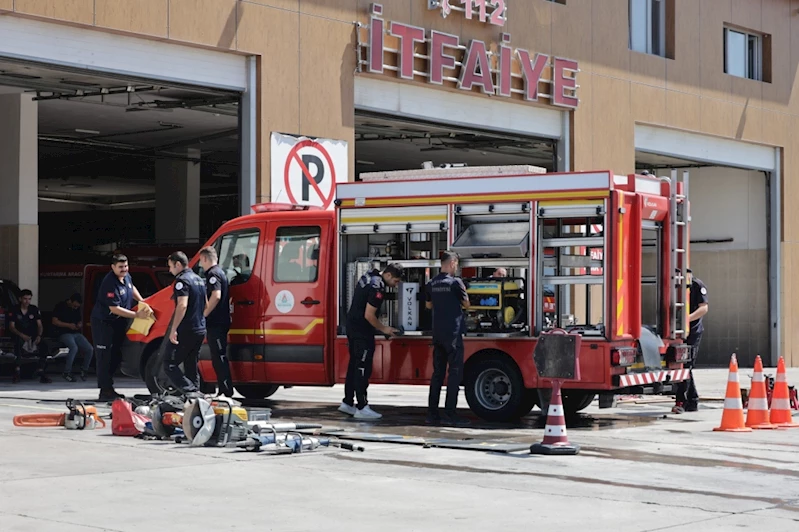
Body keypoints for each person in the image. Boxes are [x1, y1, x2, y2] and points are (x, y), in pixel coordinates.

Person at [338, 264, 403, 420]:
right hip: (362, 331)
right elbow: (369, 315)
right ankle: (362, 407)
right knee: (362, 368)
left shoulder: (369, 276)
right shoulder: (377, 286)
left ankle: (348, 402)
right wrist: (384, 329)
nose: (396, 285)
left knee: (354, 365)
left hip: (353, 327)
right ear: (388, 275)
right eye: (395, 281)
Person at [91, 254, 149, 402]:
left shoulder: (126, 277)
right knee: (104, 357)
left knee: (116, 355)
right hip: (104, 323)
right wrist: (137, 315)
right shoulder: (109, 283)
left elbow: (131, 287)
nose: (124, 269)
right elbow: (114, 308)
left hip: (119, 322)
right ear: (113, 267)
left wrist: (142, 301)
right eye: (121, 267)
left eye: (126, 266)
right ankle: (105, 391)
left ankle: (110, 388)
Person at [425, 251, 471, 426]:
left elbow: (428, 305)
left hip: (437, 334)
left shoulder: (431, 283)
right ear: (452, 263)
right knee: (454, 373)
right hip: (453, 333)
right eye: (456, 264)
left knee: (437, 374)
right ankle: (450, 414)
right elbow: (466, 304)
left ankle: (432, 414)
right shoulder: (456, 283)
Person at [163, 251, 207, 395]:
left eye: (171, 266)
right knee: (190, 363)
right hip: (200, 328)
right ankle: (196, 396)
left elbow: (182, 305)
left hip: (186, 329)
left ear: (178, 264)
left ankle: (190, 391)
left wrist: (173, 329)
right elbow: (206, 305)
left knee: (169, 363)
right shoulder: (199, 279)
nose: (170, 270)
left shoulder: (182, 281)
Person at [673, 268, 709, 414]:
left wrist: (687, 319)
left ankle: (683, 401)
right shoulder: (675, 286)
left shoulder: (697, 285)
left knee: (686, 366)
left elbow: (704, 308)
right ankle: (692, 401)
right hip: (677, 332)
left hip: (693, 331)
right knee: (683, 367)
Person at [199, 246, 233, 397]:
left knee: (218, 357)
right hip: (221, 321)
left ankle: (225, 391)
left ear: (205, 258)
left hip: (216, 322)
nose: (201, 264)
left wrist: (204, 314)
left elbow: (216, 295)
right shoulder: (220, 272)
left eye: (201, 261)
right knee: (218, 356)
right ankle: (224, 389)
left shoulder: (213, 274)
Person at [7, 289, 51, 384]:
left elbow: (39, 325)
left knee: (45, 345)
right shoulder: (14, 309)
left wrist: (39, 336)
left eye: (29, 299)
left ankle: (41, 370)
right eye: (25, 299)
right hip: (19, 334)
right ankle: (17, 372)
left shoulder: (34, 309)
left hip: (32, 335)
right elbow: (11, 327)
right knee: (17, 344)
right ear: (20, 299)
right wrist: (22, 335)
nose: (27, 301)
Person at [52, 293, 93, 382]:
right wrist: (68, 325)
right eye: (74, 306)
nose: (75, 308)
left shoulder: (76, 309)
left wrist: (79, 324)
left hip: (76, 332)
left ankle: (84, 369)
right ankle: (67, 372)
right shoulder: (60, 306)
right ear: (70, 301)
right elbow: (55, 321)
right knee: (74, 347)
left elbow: (79, 320)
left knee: (89, 349)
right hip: (63, 333)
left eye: (77, 307)